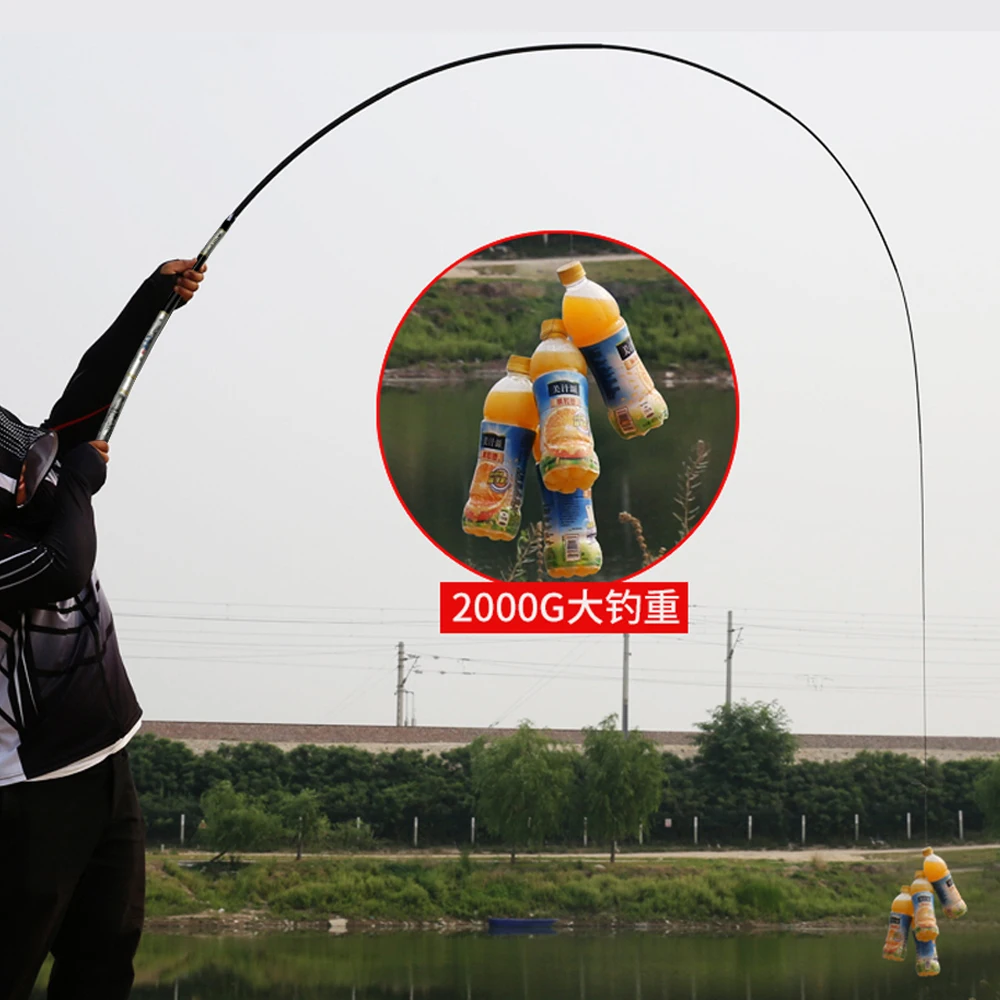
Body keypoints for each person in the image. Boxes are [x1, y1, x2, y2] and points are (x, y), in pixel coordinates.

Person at [0, 259, 206, 1000]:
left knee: (104, 962)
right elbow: (58, 565)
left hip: (105, 754)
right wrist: (80, 484)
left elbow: (71, 423)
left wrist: (152, 301)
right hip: (24, 786)